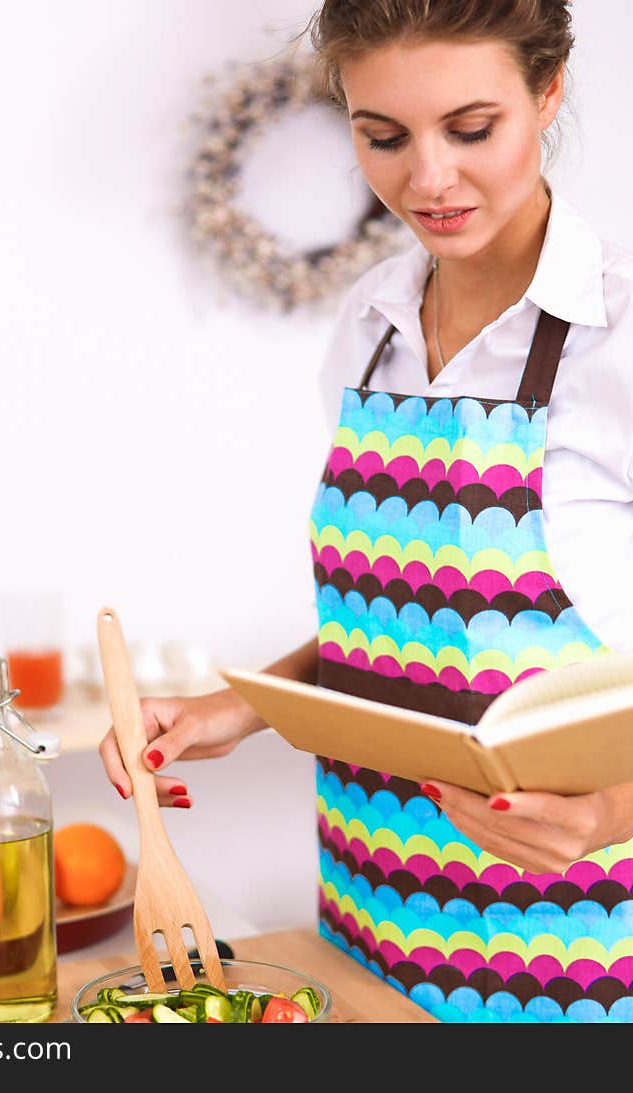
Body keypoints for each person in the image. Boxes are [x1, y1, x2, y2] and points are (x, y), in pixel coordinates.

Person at [100, 0, 633, 1023]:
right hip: (365, 916)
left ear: (548, 89)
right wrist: (242, 707)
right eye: (381, 136)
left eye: (470, 129)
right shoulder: (372, 322)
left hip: (578, 951)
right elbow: (402, 616)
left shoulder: (618, 337)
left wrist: (614, 808)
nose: (426, 179)